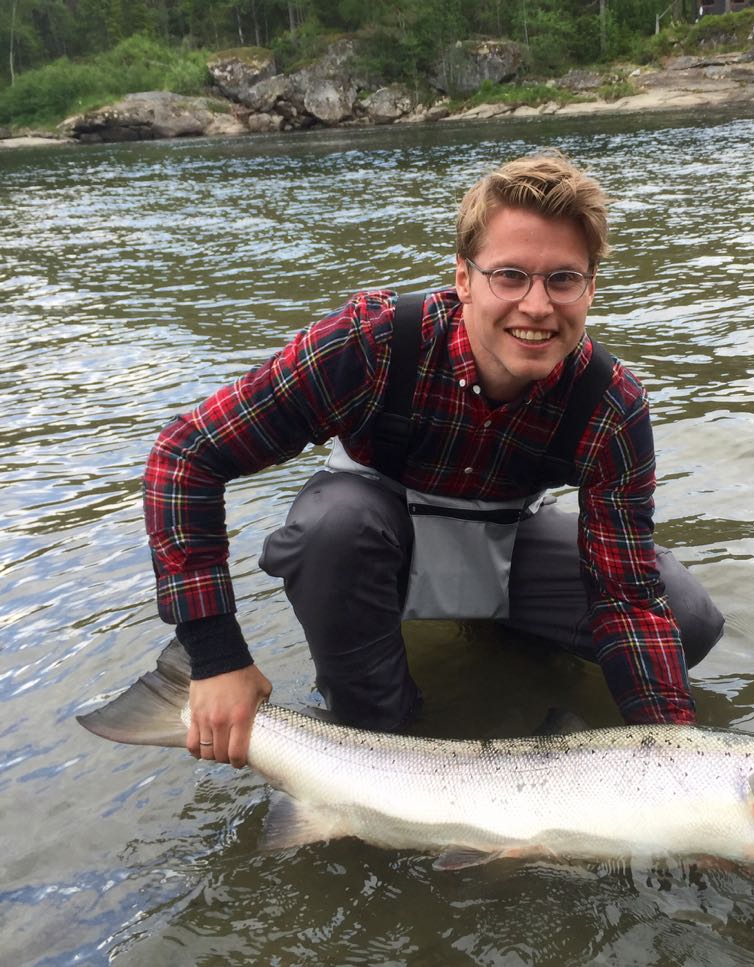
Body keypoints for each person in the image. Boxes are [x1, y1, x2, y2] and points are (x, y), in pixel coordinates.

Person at [144, 151, 724, 769]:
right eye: (509, 275)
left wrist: (678, 762)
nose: (536, 306)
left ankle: (506, 640)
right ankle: (376, 732)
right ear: (464, 279)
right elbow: (185, 456)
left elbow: (627, 597)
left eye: (562, 279)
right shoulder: (368, 344)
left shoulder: (613, 406)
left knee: (684, 618)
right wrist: (216, 655)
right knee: (335, 528)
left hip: (509, 531)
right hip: (371, 532)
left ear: (589, 288)